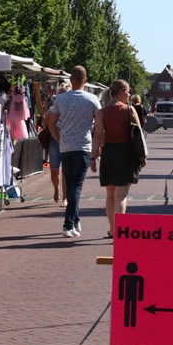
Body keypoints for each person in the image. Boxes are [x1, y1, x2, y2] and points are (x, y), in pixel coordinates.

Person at [46, 66, 101, 238]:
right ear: (85, 80)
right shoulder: (93, 100)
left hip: (66, 148)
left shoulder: (60, 99)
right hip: (83, 147)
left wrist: (60, 140)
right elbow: (99, 128)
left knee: (71, 185)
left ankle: (75, 221)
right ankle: (68, 224)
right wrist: (96, 149)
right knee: (76, 187)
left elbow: (51, 125)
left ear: (71, 80)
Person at [92, 79, 146, 238]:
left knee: (110, 194)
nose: (129, 94)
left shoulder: (102, 112)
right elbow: (139, 134)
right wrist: (143, 155)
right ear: (121, 92)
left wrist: (93, 156)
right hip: (126, 153)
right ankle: (119, 233)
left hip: (109, 153)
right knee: (121, 195)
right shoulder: (129, 110)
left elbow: (98, 135)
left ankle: (112, 229)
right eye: (128, 91)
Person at [42, 83, 69, 205]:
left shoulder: (71, 109)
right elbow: (44, 125)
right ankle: (56, 189)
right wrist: (48, 118)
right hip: (54, 141)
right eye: (59, 96)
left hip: (67, 141)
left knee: (65, 171)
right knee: (54, 170)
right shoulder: (52, 110)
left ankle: (65, 198)